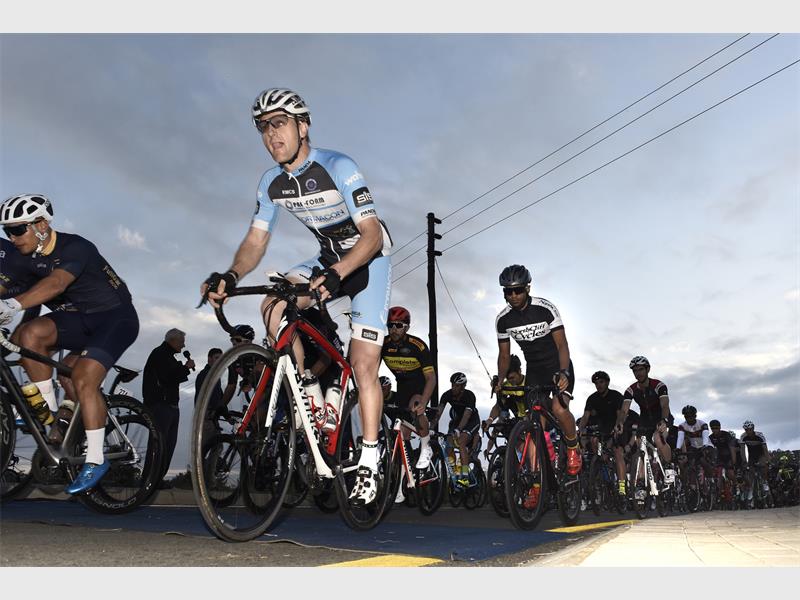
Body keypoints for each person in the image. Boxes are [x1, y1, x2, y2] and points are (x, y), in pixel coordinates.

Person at [201, 88, 392, 506]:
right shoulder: (271, 183)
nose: (271, 134)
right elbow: (256, 240)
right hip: (326, 258)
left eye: (279, 123)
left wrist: (339, 273)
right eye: (263, 127)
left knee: (363, 364)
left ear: (302, 126)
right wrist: (231, 275)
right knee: (273, 304)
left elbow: (373, 234)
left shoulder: (338, 166)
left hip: (367, 260)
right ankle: (309, 394)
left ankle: (370, 458)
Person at [0, 193, 139, 494]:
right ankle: (50, 417)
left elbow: (56, 283)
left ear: (41, 225)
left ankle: (96, 459)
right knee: (29, 335)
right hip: (77, 319)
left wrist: (12, 305)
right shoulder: (23, 256)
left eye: (17, 230)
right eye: (6, 231)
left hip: (115, 318)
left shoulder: (76, 247)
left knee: (82, 377)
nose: (11, 238)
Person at [493, 264, 580, 509]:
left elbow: (562, 345)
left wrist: (563, 372)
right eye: (507, 291)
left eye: (518, 290)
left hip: (558, 365)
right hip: (535, 371)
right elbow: (504, 356)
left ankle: (572, 447)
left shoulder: (545, 309)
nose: (513, 296)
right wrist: (500, 380)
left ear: (527, 288)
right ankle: (536, 486)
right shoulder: (503, 320)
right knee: (533, 430)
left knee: (558, 408)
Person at [381, 306, 437, 469]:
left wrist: (424, 402)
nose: (394, 329)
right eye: (390, 325)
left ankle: (426, 446)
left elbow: (431, 378)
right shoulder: (383, 344)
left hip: (421, 385)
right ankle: (405, 474)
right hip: (402, 386)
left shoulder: (417, 346)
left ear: (407, 327)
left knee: (416, 406)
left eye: (398, 325)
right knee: (403, 435)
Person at [142, 328, 194, 486]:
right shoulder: (160, 354)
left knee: (168, 444)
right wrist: (185, 368)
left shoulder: (167, 356)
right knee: (159, 443)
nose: (183, 345)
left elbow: (171, 376)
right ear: (172, 340)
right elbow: (167, 377)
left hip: (170, 405)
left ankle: (156, 479)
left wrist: (183, 368)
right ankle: (149, 480)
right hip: (160, 405)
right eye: (182, 342)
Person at [615, 356, 673, 465]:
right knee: (639, 445)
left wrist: (664, 420)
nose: (638, 373)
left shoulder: (658, 385)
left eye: (641, 369)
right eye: (635, 371)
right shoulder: (631, 390)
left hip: (661, 417)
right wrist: (620, 423)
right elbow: (624, 411)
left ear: (648, 369)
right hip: (645, 420)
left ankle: (669, 466)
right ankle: (644, 472)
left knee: (658, 438)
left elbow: (665, 405)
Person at [580, 370, 626, 495]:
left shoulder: (616, 396)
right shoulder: (592, 398)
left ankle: (622, 488)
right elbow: (585, 417)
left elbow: (620, 414)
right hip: (601, 430)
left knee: (618, 452)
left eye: (601, 382)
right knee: (594, 442)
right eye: (596, 383)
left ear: (607, 382)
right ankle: (602, 469)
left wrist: (617, 427)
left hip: (615, 428)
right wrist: (580, 430)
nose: (598, 385)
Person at [431, 372, 480, 487]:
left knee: (461, 441)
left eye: (457, 386)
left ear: (463, 386)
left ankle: (465, 476)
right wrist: (431, 427)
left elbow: (467, 415)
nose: (454, 388)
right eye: (452, 385)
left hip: (472, 421)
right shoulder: (447, 395)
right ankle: (455, 473)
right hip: (457, 420)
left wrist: (458, 429)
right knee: (448, 443)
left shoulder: (469, 396)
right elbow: (438, 413)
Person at [482, 354, 526, 458]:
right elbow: (498, 406)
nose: (510, 381)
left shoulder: (530, 380)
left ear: (519, 371)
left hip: (532, 416)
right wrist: (490, 420)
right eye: (508, 378)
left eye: (512, 377)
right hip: (519, 417)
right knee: (501, 423)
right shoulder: (506, 385)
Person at [675, 405, 715, 488]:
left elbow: (705, 436)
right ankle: (692, 485)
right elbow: (680, 437)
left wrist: (705, 445)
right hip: (694, 447)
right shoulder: (682, 426)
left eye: (691, 416)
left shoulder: (702, 424)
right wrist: (678, 448)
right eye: (686, 417)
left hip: (707, 445)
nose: (688, 418)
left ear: (695, 416)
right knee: (690, 464)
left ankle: (711, 480)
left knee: (703, 461)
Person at [740, 420, 770, 501]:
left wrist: (768, 460)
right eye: (746, 430)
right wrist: (744, 462)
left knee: (763, 466)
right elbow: (742, 451)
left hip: (761, 454)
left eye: (750, 429)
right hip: (752, 456)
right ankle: (751, 489)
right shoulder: (743, 436)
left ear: (753, 428)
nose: (748, 431)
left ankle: (764, 481)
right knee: (751, 473)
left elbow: (765, 449)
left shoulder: (760, 435)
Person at [709, 419, 738, 495]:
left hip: (729, 456)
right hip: (719, 457)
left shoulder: (726, 435)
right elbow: (710, 450)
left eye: (716, 428)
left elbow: (732, 448)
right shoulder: (711, 437)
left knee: (730, 474)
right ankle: (719, 491)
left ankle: (736, 485)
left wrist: (734, 460)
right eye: (713, 428)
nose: (715, 430)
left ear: (720, 427)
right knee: (718, 473)